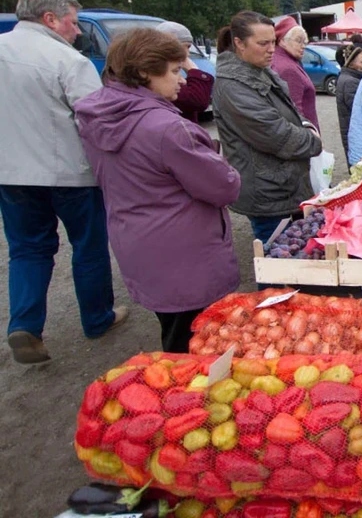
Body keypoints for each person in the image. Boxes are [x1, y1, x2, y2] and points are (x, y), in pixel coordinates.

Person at [75, 29, 241, 352]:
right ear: (143, 73)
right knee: (199, 345)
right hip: (186, 257)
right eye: (175, 70)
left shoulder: (96, 115)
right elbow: (225, 186)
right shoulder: (167, 129)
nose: (182, 80)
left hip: (140, 248)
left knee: (174, 330)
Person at [0, 0, 125, 364]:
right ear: (50, 19)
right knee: (87, 246)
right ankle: (97, 317)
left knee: (27, 249)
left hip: (11, 173)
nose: (77, 32)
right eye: (73, 23)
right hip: (68, 173)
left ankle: (25, 324)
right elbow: (96, 122)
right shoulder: (67, 61)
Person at [212, 11, 323, 244]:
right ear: (239, 44)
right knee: (277, 265)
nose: (271, 49)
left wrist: (304, 125)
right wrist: (313, 141)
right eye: (263, 43)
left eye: (273, 42)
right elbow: (276, 135)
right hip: (268, 194)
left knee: (294, 257)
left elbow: (291, 111)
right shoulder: (233, 87)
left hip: (283, 186)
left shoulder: (261, 71)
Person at [155, 21, 214, 124]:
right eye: (185, 46)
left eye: (189, 47)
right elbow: (198, 100)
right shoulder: (159, 75)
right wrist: (193, 70)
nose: (187, 53)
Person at [271, 17, 319, 129]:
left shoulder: (281, 60)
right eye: (298, 41)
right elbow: (295, 113)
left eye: (304, 42)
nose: (303, 46)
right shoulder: (288, 68)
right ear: (282, 41)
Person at [335, 44, 362, 156]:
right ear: (351, 63)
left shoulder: (348, 78)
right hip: (355, 134)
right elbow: (359, 110)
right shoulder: (351, 82)